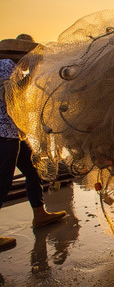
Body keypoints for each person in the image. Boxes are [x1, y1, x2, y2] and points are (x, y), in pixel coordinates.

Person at [0, 34, 66, 252]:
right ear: (22, 55)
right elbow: (10, 95)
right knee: (3, 183)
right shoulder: (6, 66)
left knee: (32, 170)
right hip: (4, 135)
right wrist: (34, 74)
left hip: (14, 133)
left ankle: (40, 214)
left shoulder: (11, 68)